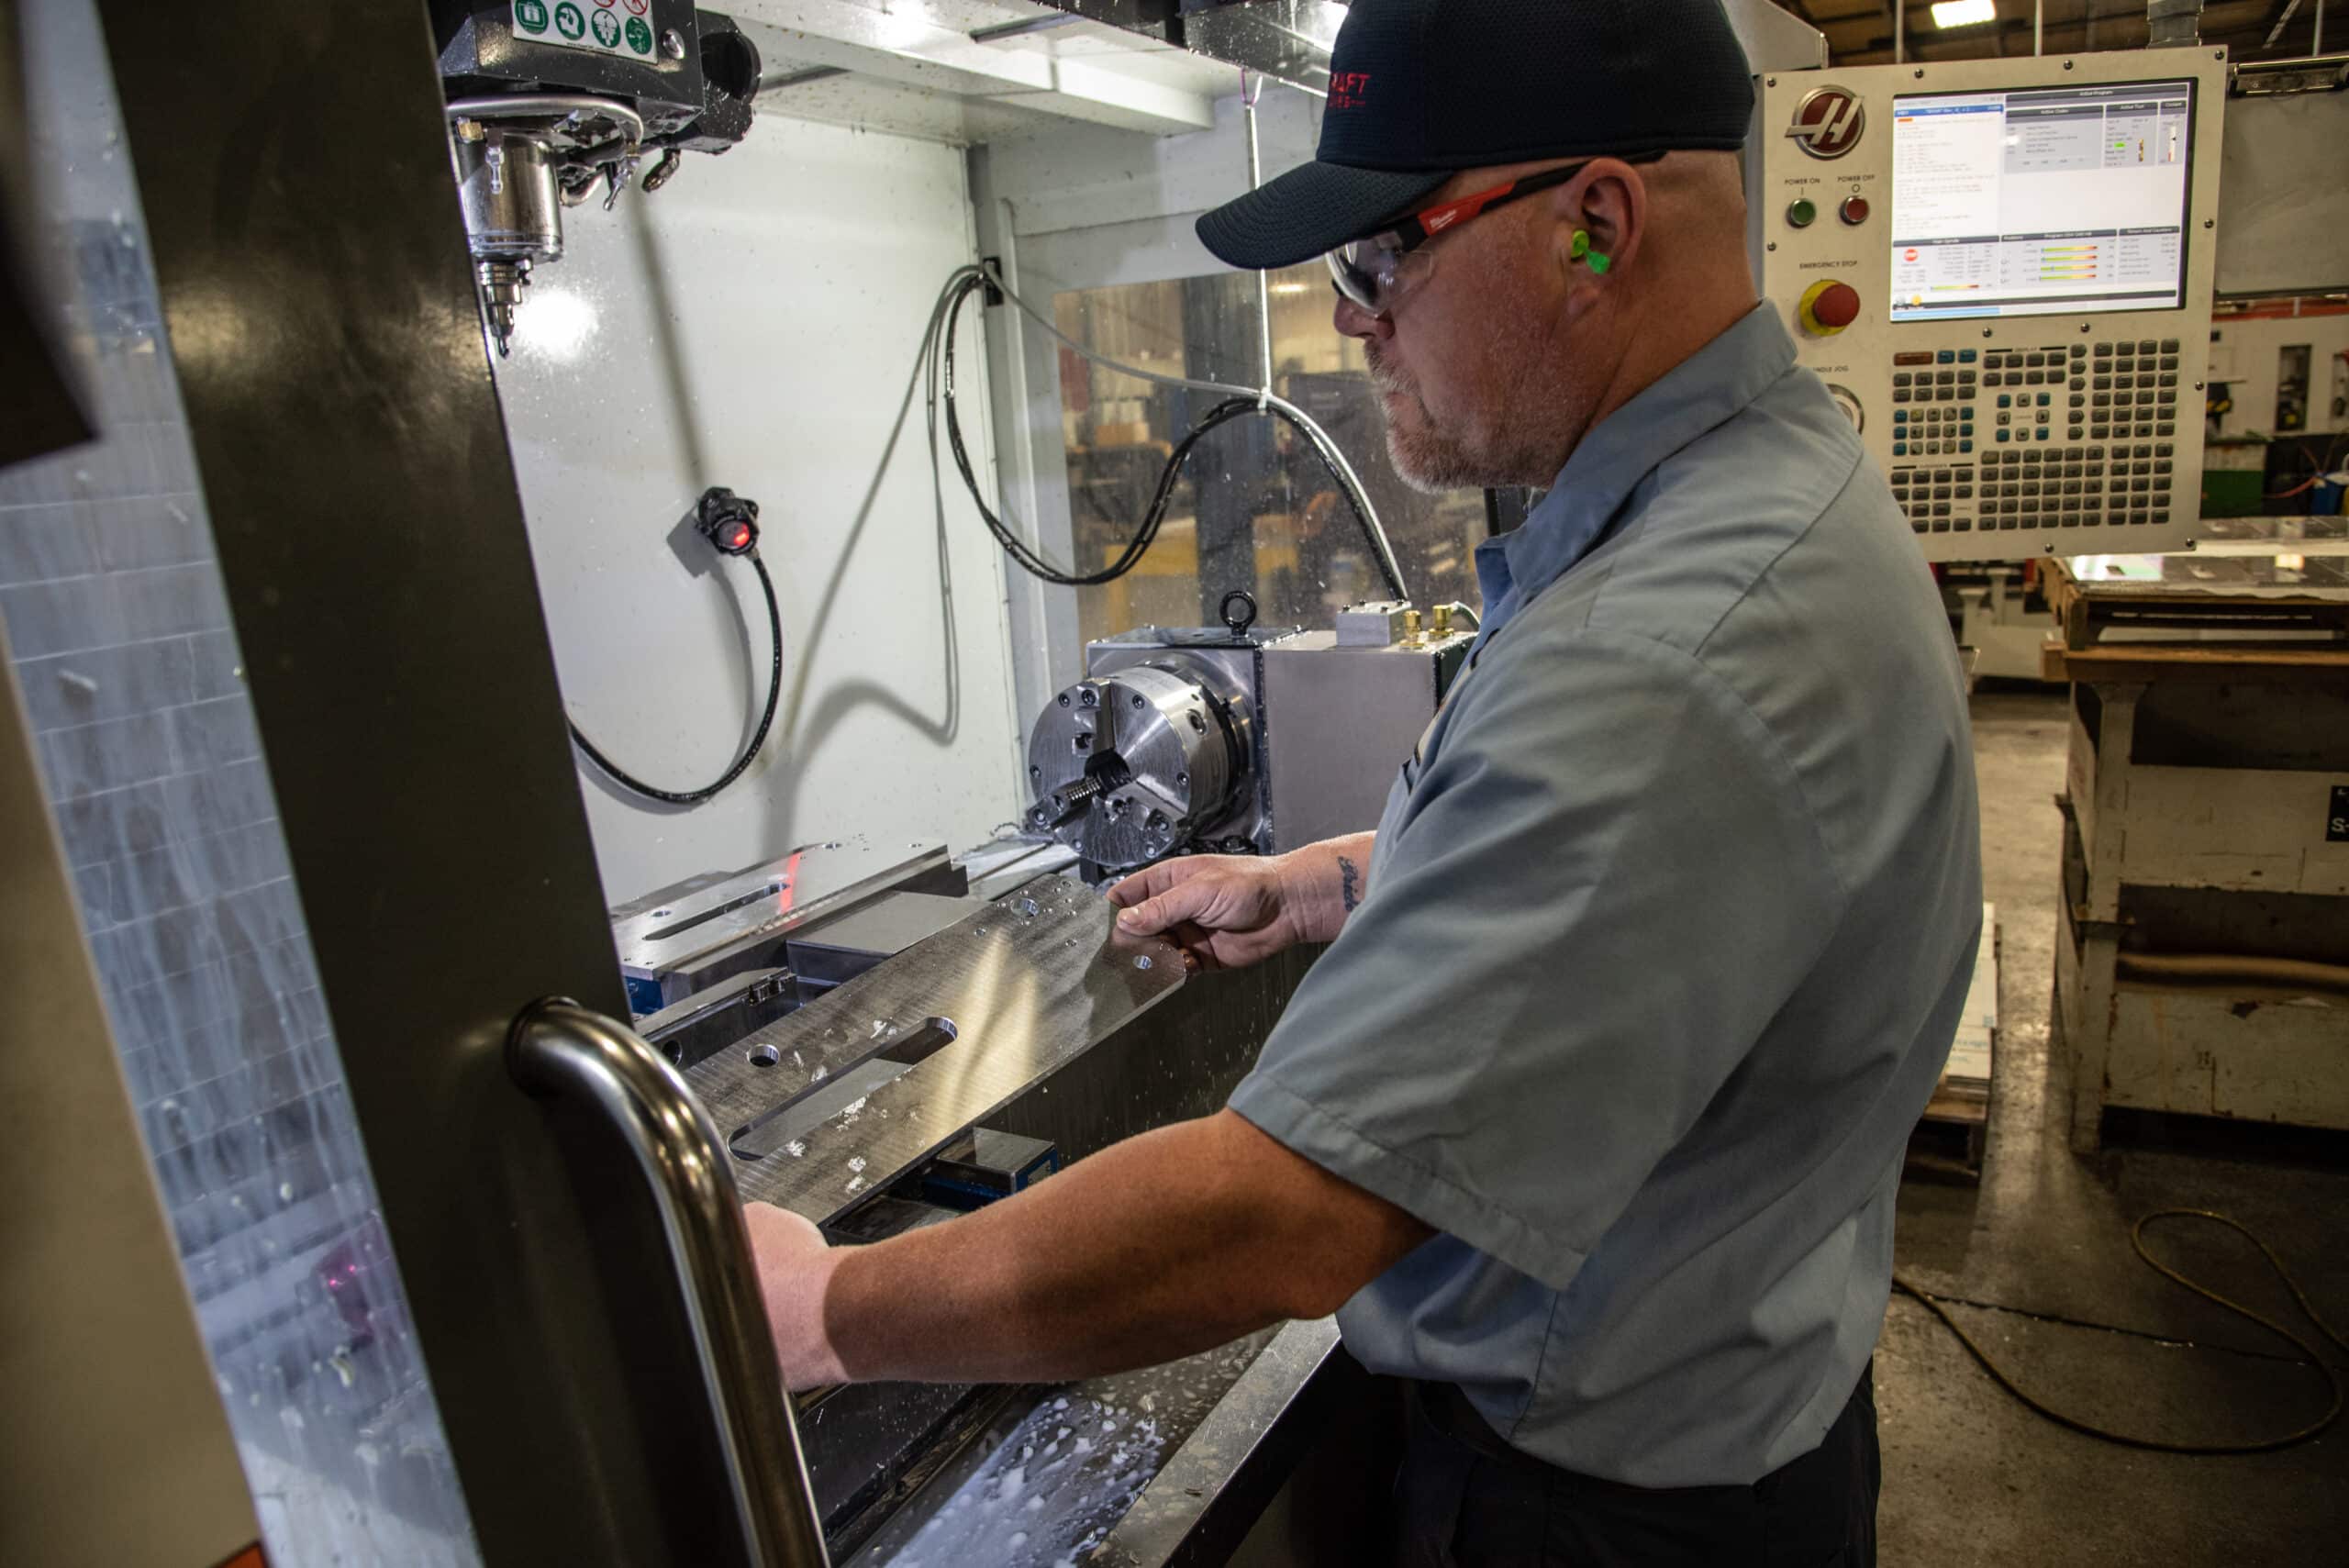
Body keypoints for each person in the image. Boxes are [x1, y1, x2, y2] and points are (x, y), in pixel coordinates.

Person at [744, 2, 1982, 1562]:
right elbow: (1643, 897)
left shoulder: (1666, 650)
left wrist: (829, 1307)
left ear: (1593, 226)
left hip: (1602, 1517)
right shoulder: (1739, 497)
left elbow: (1286, 1213)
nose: (1354, 323)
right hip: (1742, 1427)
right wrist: (1328, 878)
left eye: (1387, 256)